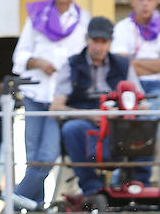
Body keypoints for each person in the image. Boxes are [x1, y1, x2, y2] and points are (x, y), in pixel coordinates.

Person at [10, 0, 88, 210]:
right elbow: (20, 56)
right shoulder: (36, 16)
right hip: (36, 92)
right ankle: (36, 210)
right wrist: (38, 62)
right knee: (33, 156)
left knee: (47, 156)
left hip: (61, 98)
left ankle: (12, 201)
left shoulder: (84, 19)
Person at [51, 16, 142, 202]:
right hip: (85, 121)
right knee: (71, 130)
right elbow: (56, 107)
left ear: (110, 43)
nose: (99, 47)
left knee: (144, 128)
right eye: (95, 41)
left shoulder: (123, 65)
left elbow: (141, 101)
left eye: (104, 42)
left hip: (118, 122)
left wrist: (122, 114)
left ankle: (138, 185)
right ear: (87, 39)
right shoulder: (71, 64)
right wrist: (89, 115)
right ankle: (92, 189)